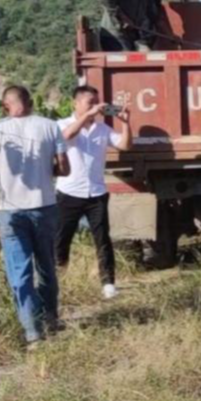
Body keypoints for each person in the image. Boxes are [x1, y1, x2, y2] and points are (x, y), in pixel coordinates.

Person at [0, 85, 70, 347]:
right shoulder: (50, 126)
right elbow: (64, 168)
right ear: (30, 103)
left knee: (19, 272)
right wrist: (46, 168)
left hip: (11, 211)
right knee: (46, 266)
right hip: (44, 206)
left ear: (5, 106)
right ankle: (51, 319)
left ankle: (33, 333)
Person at [54, 86, 133, 300]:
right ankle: (58, 280)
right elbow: (65, 137)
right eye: (90, 102)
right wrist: (86, 116)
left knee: (102, 239)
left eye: (97, 102)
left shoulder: (102, 129)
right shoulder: (62, 124)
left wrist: (126, 123)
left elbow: (125, 145)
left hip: (96, 192)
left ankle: (108, 283)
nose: (95, 107)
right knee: (61, 240)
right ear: (76, 104)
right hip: (68, 193)